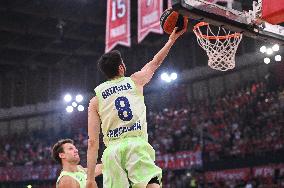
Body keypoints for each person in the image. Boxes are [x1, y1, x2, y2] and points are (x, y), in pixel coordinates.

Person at [87, 27, 186, 188]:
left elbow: (92, 142)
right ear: (121, 68)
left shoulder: (95, 100)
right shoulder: (135, 81)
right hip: (135, 146)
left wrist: (90, 178)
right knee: (151, 184)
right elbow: (155, 62)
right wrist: (171, 39)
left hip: (112, 153)